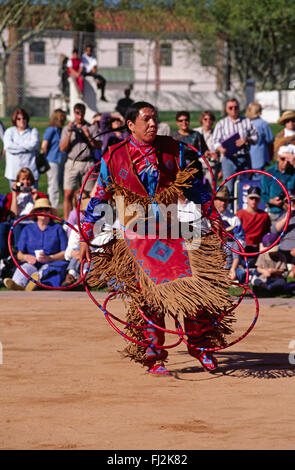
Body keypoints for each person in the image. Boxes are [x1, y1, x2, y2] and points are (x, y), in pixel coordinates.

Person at [80, 101, 237, 376]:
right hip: (135, 237)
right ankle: (153, 356)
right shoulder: (114, 158)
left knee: (194, 290)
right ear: (131, 125)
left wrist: (214, 217)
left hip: (173, 231)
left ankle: (200, 346)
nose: (153, 124)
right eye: (147, 119)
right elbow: (98, 199)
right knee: (148, 299)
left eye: (154, 119)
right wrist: (84, 237)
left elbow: (197, 189)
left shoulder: (174, 150)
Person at [3, 198, 68, 291]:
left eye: (46, 209)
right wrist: (26, 257)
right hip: (32, 263)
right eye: (40, 210)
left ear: (50, 212)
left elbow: (65, 253)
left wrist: (50, 258)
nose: (44, 212)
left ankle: (35, 283)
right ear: (36, 213)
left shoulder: (58, 228)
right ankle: (18, 284)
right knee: (25, 268)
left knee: (48, 271)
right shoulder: (27, 229)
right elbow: (19, 254)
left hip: (51, 263)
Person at [59, 102, 101, 220]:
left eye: (82, 113)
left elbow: (98, 146)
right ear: (74, 113)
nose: (80, 116)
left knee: (87, 194)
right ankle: (67, 222)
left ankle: (87, 220)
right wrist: (70, 133)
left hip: (87, 162)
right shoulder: (67, 128)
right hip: (72, 162)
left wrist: (87, 135)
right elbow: (62, 148)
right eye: (77, 113)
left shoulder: (91, 127)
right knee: (68, 193)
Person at [213, 98, 258, 197]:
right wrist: (221, 149)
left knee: (246, 187)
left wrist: (246, 139)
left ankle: (243, 210)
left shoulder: (246, 121)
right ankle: (228, 210)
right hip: (229, 159)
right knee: (228, 188)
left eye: (236, 107)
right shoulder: (221, 123)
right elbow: (215, 141)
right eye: (230, 107)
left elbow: (255, 137)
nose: (233, 109)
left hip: (244, 157)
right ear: (226, 109)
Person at [2, 167, 48, 248]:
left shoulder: (39, 195)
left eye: (28, 179)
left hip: (31, 220)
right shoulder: (12, 196)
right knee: (13, 226)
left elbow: (39, 214)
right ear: (18, 181)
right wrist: (14, 193)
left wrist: (35, 199)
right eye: (23, 179)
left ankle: (23, 251)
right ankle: (13, 252)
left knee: (23, 226)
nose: (26, 182)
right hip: (17, 220)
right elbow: (14, 213)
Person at [213, 186, 245, 283]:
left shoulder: (234, 219)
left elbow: (241, 240)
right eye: (221, 200)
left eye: (226, 201)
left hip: (230, 255)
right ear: (214, 200)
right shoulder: (206, 216)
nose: (223, 203)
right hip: (211, 255)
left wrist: (230, 245)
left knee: (242, 272)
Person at [3, 108, 40, 189]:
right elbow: (9, 147)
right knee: (17, 197)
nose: (22, 121)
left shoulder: (33, 131)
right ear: (14, 120)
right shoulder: (9, 132)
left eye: (24, 118)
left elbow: (34, 145)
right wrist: (26, 147)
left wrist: (17, 146)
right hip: (14, 172)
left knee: (31, 197)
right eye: (18, 119)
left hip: (30, 172)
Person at [237, 186, 271, 267]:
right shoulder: (240, 214)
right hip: (242, 249)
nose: (254, 201)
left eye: (256, 199)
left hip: (258, 249)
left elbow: (266, 233)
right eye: (251, 198)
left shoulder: (264, 216)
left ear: (259, 200)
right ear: (247, 199)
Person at [260, 145, 295, 222]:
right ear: (277, 158)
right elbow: (263, 194)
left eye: (288, 160)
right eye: (283, 159)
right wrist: (271, 201)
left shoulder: (293, 172)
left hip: (292, 212)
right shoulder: (268, 174)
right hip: (274, 213)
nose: (285, 163)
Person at [40, 109, 67, 209]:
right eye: (62, 117)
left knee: (63, 185)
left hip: (62, 160)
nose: (64, 119)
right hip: (53, 161)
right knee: (53, 186)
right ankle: (53, 208)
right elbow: (44, 146)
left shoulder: (61, 130)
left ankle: (68, 208)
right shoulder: (51, 129)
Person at [194, 110, 221, 187]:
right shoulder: (196, 132)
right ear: (201, 120)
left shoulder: (217, 133)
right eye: (205, 119)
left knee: (211, 190)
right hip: (198, 164)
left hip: (212, 165)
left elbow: (221, 152)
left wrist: (220, 169)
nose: (208, 121)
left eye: (210, 119)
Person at [271, 192, 295, 277]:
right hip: (284, 249)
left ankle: (291, 268)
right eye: (287, 201)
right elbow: (274, 230)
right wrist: (287, 216)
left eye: (293, 201)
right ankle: (287, 268)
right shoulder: (282, 215)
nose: (291, 203)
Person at [245, 102, 274, 171]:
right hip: (259, 156)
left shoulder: (244, 122)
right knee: (258, 179)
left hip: (245, 157)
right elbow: (270, 139)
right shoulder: (263, 124)